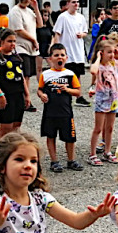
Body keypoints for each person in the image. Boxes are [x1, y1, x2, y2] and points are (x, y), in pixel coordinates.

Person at [88, 34, 118, 166]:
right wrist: (97, 58)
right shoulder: (100, 66)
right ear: (102, 53)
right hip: (102, 99)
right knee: (98, 128)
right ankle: (92, 154)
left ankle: (107, 151)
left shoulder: (115, 63)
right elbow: (93, 70)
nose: (112, 55)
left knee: (110, 127)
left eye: (113, 52)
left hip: (113, 98)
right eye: (109, 52)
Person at [38, 44, 84, 172]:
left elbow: (78, 92)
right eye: (56, 55)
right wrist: (42, 95)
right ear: (51, 58)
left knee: (70, 137)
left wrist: (68, 89)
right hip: (50, 112)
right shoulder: (45, 74)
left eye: (62, 55)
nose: (60, 57)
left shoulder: (70, 74)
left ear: (66, 58)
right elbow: (39, 89)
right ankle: (54, 161)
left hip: (66, 112)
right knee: (50, 136)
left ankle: (71, 160)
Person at [0, 27, 29, 139]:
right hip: (5, 95)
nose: (12, 44)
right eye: (9, 41)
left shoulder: (17, 57)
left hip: (18, 94)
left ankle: (11, 149)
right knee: (6, 126)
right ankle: (0, 150)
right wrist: (0, 95)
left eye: (14, 41)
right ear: (1, 41)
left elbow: (22, 77)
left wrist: (27, 95)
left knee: (16, 126)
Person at [9, 0, 43, 113]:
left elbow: (40, 24)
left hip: (30, 48)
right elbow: (19, 30)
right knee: (24, 75)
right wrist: (33, 40)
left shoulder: (29, 11)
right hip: (20, 46)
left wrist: (36, 8)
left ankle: (25, 99)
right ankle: (24, 100)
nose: (28, 0)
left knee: (28, 74)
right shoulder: (15, 11)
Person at [52, 0, 90, 107]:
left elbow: (85, 31)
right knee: (65, 73)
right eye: (73, 2)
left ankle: (78, 96)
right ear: (68, 3)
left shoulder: (81, 17)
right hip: (67, 50)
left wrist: (81, 34)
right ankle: (64, 94)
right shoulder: (63, 17)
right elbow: (57, 33)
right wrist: (56, 48)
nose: (76, 4)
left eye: (77, 2)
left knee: (77, 74)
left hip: (77, 50)